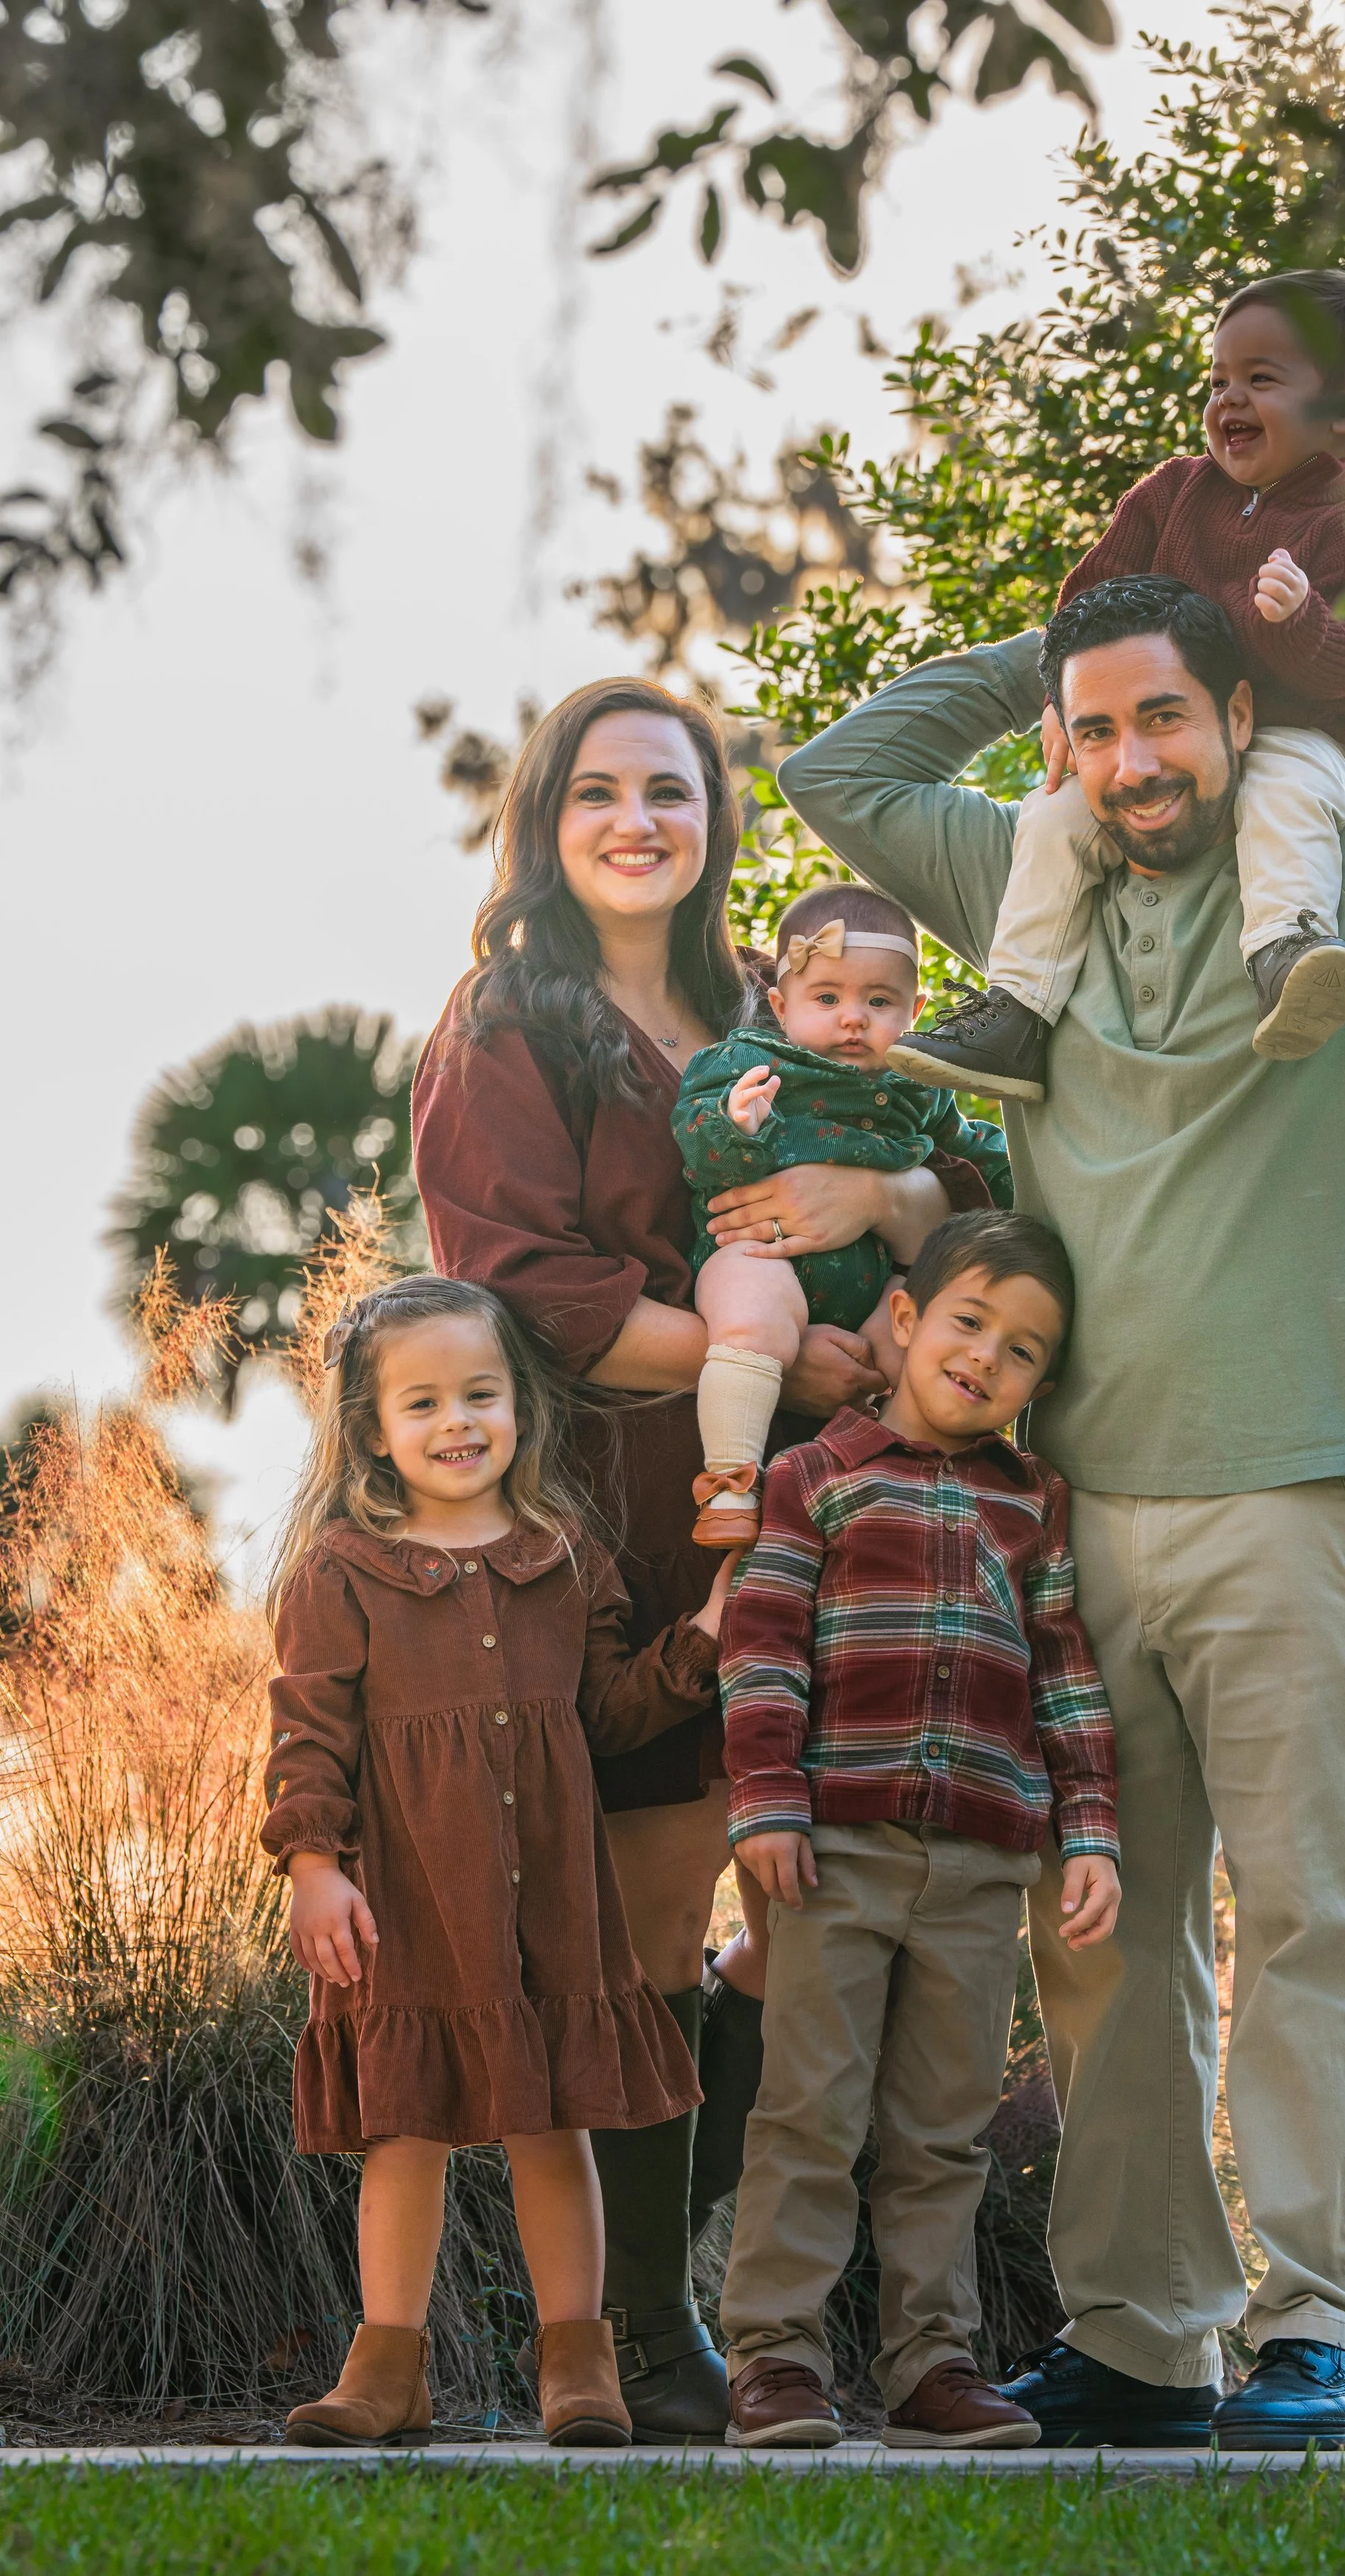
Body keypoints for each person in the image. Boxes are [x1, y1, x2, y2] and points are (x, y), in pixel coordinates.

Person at [775, 576, 1345, 2448]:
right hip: (1078, 1513)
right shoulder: (1030, 888)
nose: (1122, 761)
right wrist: (1064, 646)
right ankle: (1146, 2340)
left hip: (1297, 1483)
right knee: (1104, 1940)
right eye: (1090, 733)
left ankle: (1327, 2335)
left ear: (1240, 719)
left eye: (1161, 717)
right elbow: (844, 765)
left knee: (1311, 1919)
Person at [411, 676, 994, 2437]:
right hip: (634, 1508)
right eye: (597, 792)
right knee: (666, 1911)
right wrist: (764, 1356)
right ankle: (647, 2336)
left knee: (809, 1919)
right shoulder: (507, 1027)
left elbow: (948, 1169)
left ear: (714, 820)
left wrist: (881, 1223)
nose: (636, 820)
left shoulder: (785, 1003)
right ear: (547, 818)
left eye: (667, 790)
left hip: (847, 1506)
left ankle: (790, 2325)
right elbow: (515, 1282)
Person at [263, 1275, 733, 2449]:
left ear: (520, 1402)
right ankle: (388, 2365)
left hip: (552, 1903)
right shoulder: (342, 1572)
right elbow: (307, 1732)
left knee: (553, 2125)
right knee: (404, 2130)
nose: (457, 1422)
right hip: (412, 1900)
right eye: (422, 1403)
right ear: (373, 1429)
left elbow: (611, 1713)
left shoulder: (565, 1557)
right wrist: (313, 1864)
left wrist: (710, 1638)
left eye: (481, 1393)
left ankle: (579, 2364)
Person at [717, 1209, 1120, 2449]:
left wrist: (1089, 1830)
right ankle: (776, 2360)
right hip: (833, 1850)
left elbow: (1063, 1673)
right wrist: (769, 1807)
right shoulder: (814, 1480)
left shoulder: (1032, 1503)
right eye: (968, 1321)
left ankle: (930, 2367)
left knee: (943, 2130)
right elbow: (764, 1652)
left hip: (982, 1863)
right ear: (903, 1320)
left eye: (1025, 1352)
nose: (988, 1357)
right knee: (809, 2113)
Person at [890, 269, 1345, 1100]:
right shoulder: (1172, 493)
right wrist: (1060, 702)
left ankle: (1286, 951)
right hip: (1169, 742)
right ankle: (1017, 1008)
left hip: (1300, 730)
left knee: (1285, 801)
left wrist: (1296, 621)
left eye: (1260, 379)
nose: (1229, 400)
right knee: (1051, 816)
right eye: (1217, 379)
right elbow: (1092, 601)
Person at [671, 881, 1013, 1549]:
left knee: (916, 1350)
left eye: (879, 1002)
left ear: (914, 1011)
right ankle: (731, 1483)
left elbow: (974, 1158)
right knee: (749, 1322)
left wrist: (1035, 1169)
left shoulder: (918, 1083)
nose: (853, 1018)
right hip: (763, 1253)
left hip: (877, 1278)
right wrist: (735, 1125)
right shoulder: (748, 1062)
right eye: (827, 998)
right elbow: (697, 1145)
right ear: (781, 1003)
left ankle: (910, 1496)